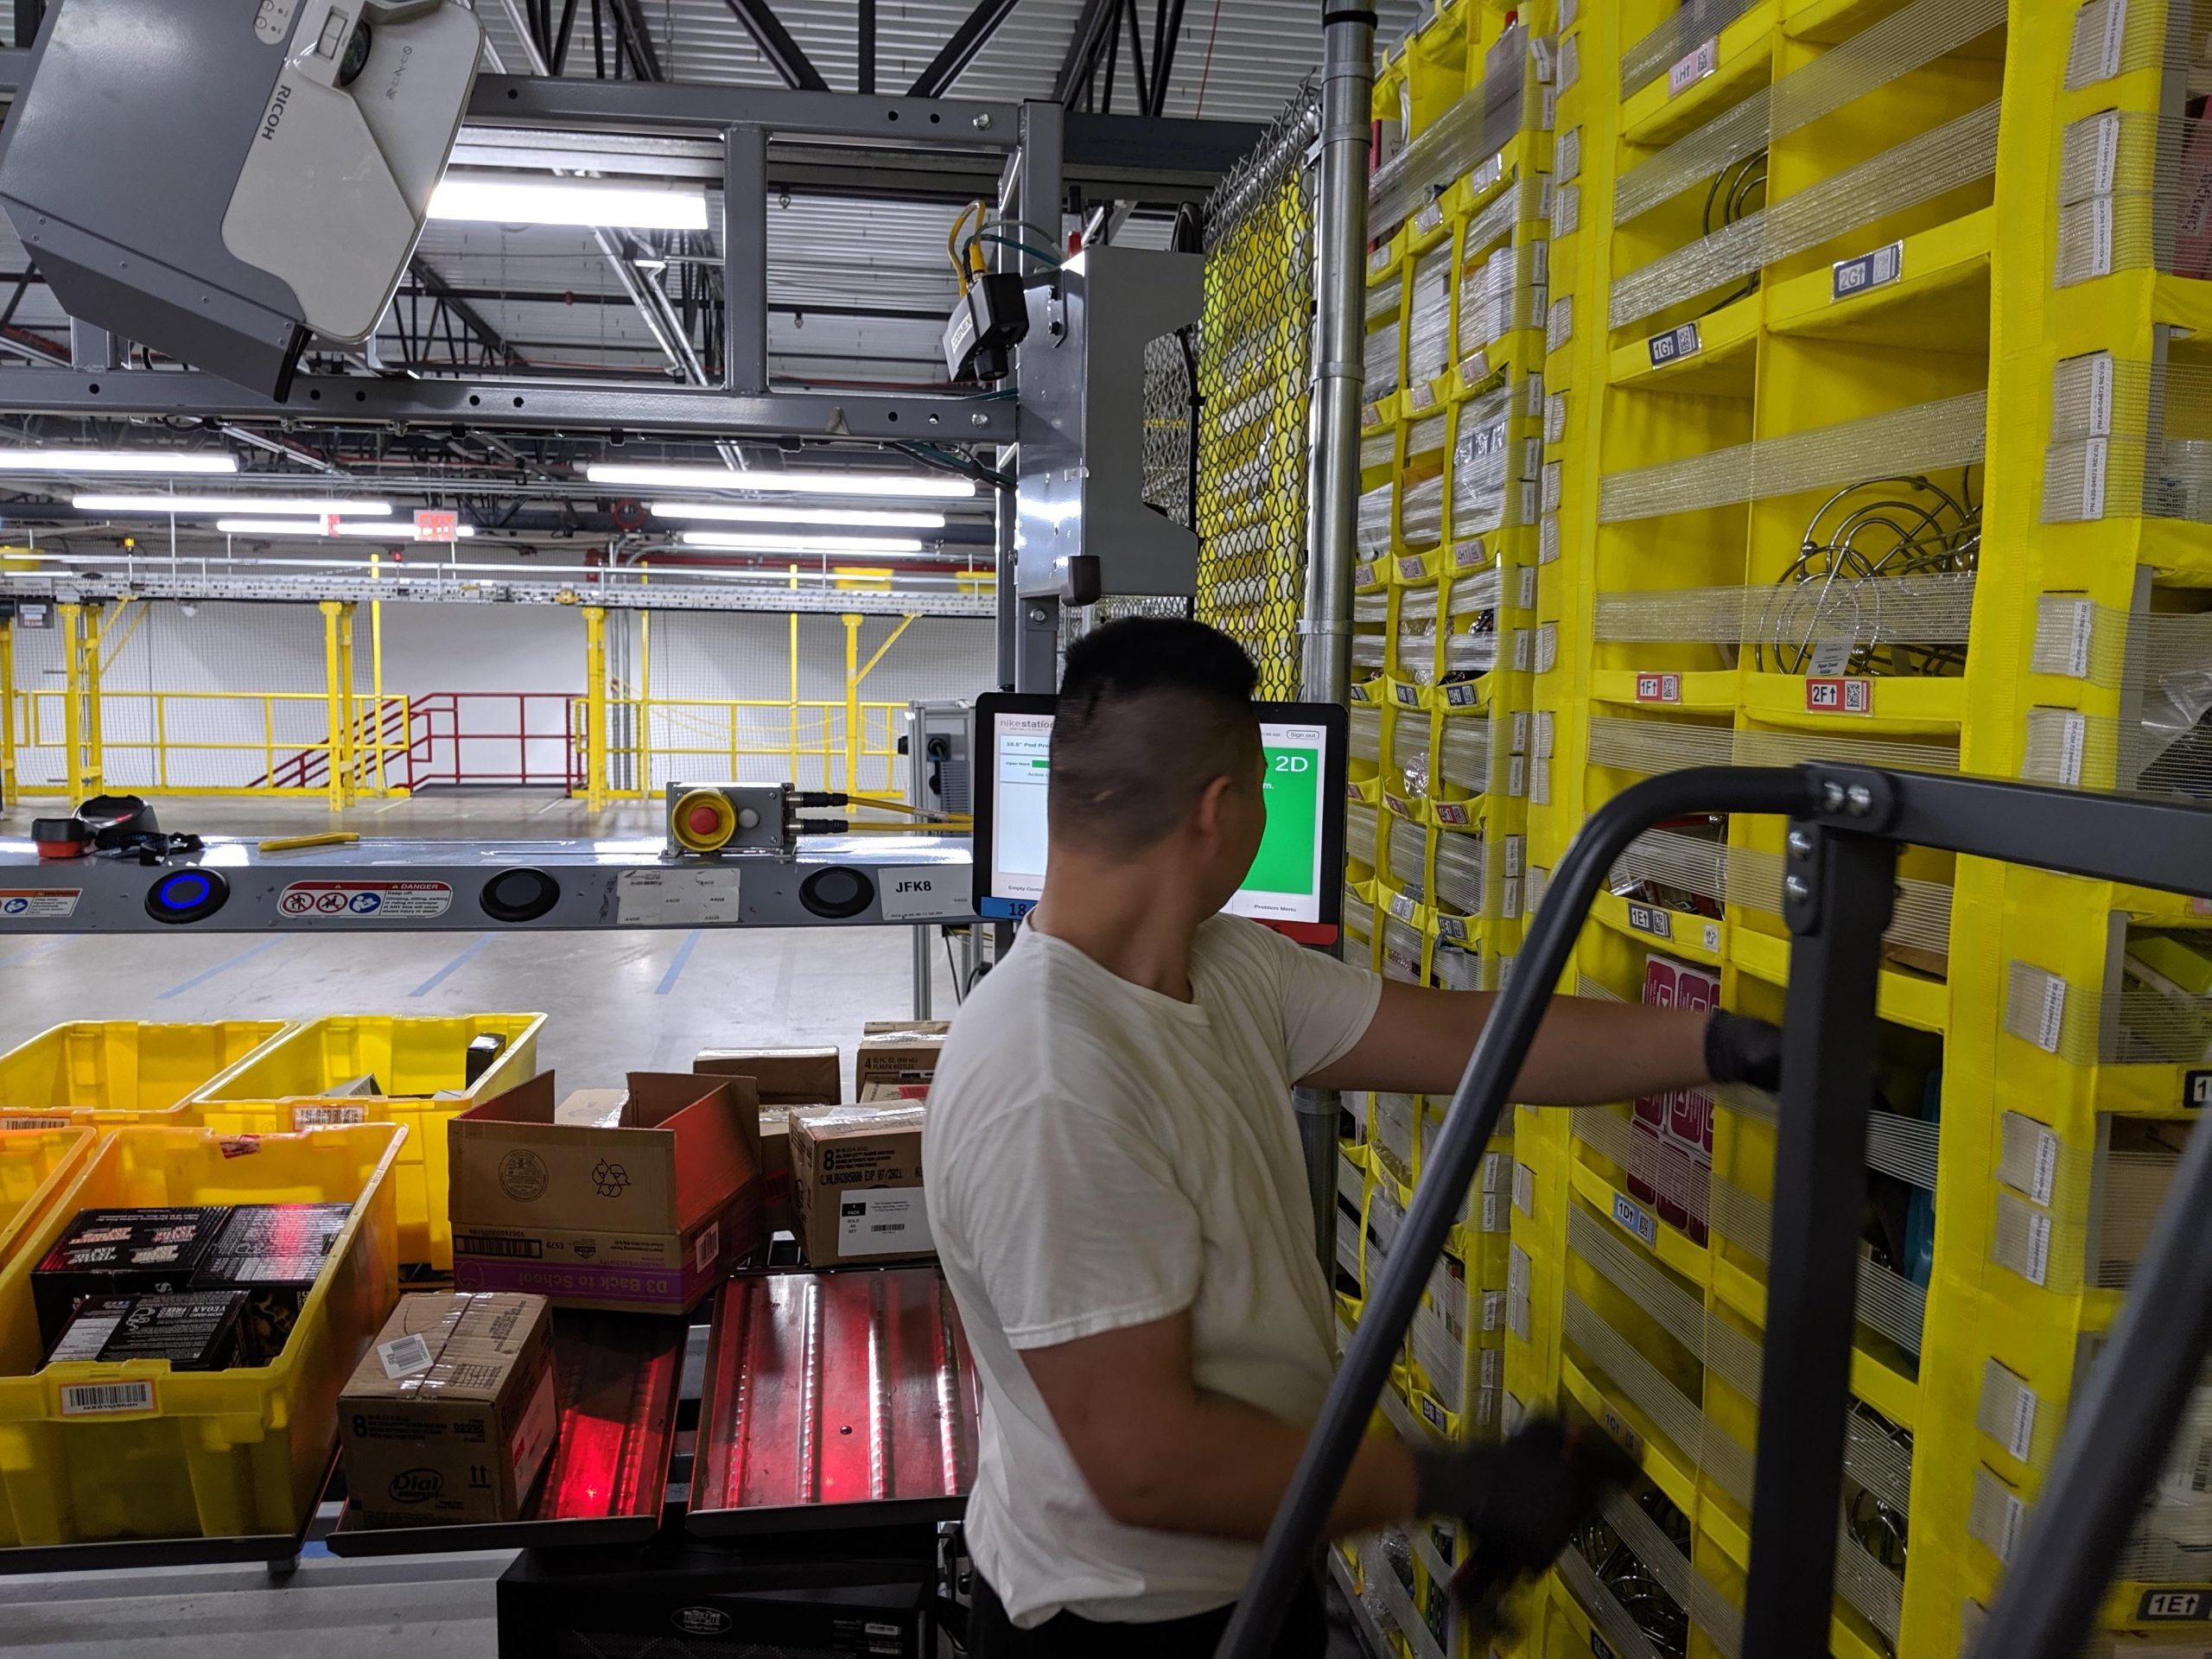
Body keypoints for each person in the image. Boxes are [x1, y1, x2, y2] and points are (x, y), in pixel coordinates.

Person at [925, 618, 1780, 1656]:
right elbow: (1150, 1465)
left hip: (1262, 1562)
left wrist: (1731, 1043)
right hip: (1125, 1626)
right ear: (1220, 810)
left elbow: (1479, 1042)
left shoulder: (1227, 968)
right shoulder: (1050, 1081)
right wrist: (1457, 1479)